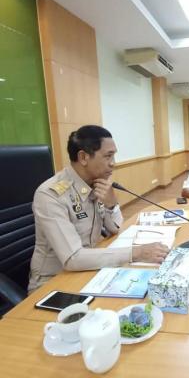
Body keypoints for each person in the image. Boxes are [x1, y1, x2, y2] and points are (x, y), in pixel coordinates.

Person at [28, 125, 169, 293]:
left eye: (114, 156)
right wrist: (137, 252)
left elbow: (115, 229)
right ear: (83, 157)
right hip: (53, 283)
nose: (113, 163)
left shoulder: (96, 183)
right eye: (108, 156)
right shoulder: (50, 195)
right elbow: (73, 258)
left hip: (89, 269)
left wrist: (111, 204)